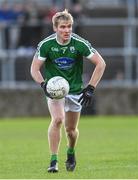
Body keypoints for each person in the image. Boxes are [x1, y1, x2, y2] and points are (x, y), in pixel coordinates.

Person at [30, 9, 106, 173]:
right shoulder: (46, 45)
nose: (67, 30)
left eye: (69, 26)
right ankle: (53, 161)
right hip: (55, 91)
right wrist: (44, 85)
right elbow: (34, 69)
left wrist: (90, 88)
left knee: (71, 131)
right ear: (55, 28)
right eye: (63, 27)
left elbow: (101, 64)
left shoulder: (79, 43)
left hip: (75, 90)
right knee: (57, 119)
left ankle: (71, 152)